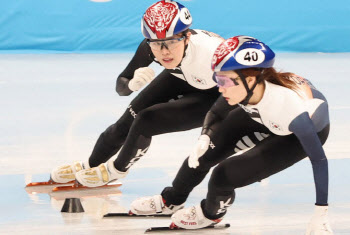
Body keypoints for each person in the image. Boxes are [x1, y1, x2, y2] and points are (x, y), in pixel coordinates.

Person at [165, 36, 332, 234]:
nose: (220, 87)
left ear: (250, 79)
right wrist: (204, 137)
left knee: (223, 175)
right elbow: (216, 113)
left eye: (224, 80)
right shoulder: (242, 88)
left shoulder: (292, 110)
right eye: (217, 79)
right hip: (263, 114)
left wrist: (320, 212)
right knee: (203, 155)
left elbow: (319, 161)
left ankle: (210, 214)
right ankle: (171, 199)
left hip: (294, 134)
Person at [50, 0, 225, 187]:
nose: (164, 52)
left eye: (172, 42)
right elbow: (121, 86)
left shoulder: (213, 55)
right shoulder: (149, 48)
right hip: (181, 77)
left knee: (146, 120)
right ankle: (90, 165)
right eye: (157, 44)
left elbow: (243, 95)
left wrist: (210, 132)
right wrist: (132, 85)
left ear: (187, 37)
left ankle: (116, 170)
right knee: (125, 122)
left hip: (215, 95)